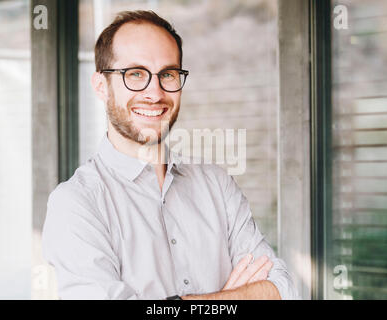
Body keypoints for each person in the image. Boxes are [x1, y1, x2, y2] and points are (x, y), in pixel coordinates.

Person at [42, 10, 299, 300]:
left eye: (168, 74)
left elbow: (283, 290)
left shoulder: (216, 184)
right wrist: (233, 297)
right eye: (135, 74)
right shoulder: (77, 204)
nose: (155, 93)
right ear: (102, 86)